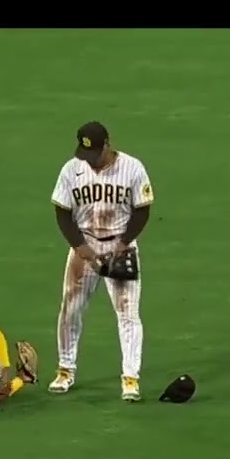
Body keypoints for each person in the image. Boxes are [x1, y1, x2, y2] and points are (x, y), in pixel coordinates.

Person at [49, 121, 154, 401]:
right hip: (85, 244)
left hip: (120, 245)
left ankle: (130, 378)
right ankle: (65, 369)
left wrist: (123, 243)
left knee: (128, 314)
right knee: (71, 308)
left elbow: (142, 210)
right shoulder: (72, 170)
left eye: (94, 153)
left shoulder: (132, 168)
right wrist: (79, 246)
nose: (90, 160)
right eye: (85, 154)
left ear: (106, 144)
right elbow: (61, 212)